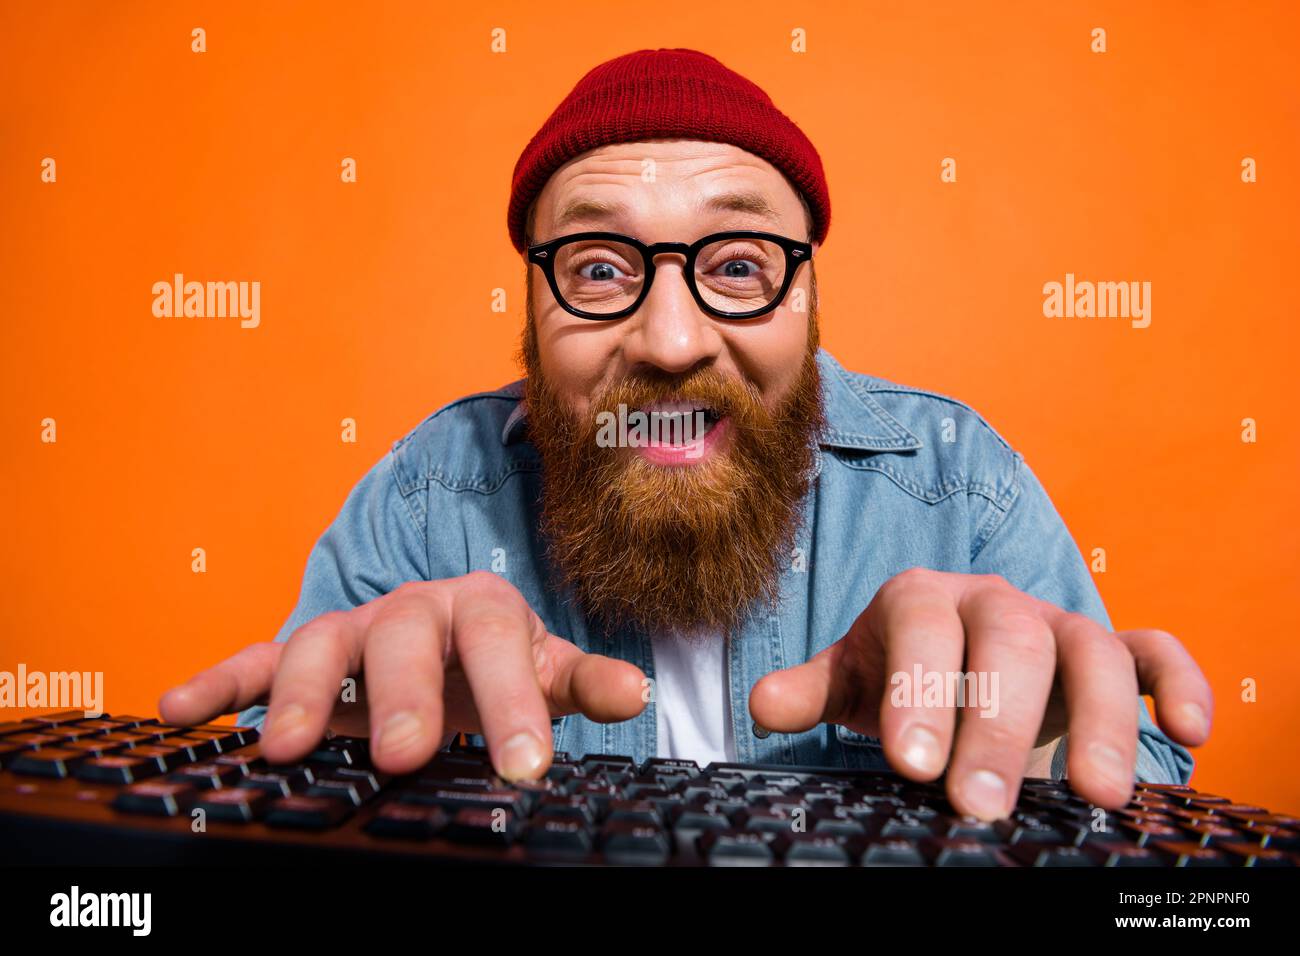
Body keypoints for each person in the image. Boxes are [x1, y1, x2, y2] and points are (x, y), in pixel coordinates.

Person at [160, 48, 1211, 821]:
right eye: (600, 267)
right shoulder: (426, 498)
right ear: (531, 305)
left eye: (740, 263)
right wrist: (332, 785)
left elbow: (1153, 823)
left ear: (809, 298)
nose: (668, 340)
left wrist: (1028, 746)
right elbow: (248, 797)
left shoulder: (956, 486)